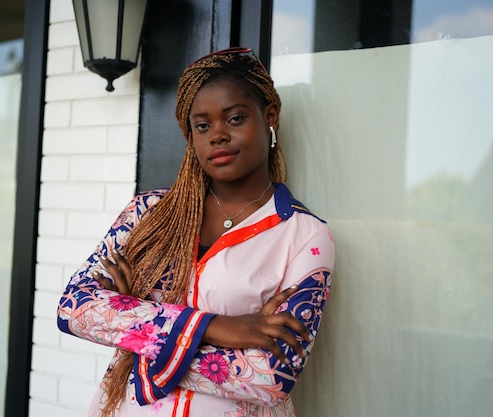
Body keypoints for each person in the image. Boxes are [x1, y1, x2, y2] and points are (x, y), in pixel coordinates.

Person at [57, 46, 335, 417]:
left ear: (270, 117)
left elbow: (271, 377)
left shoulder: (304, 235)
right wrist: (216, 327)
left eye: (234, 119)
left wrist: (133, 327)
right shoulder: (147, 214)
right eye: (202, 125)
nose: (217, 135)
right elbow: (74, 308)